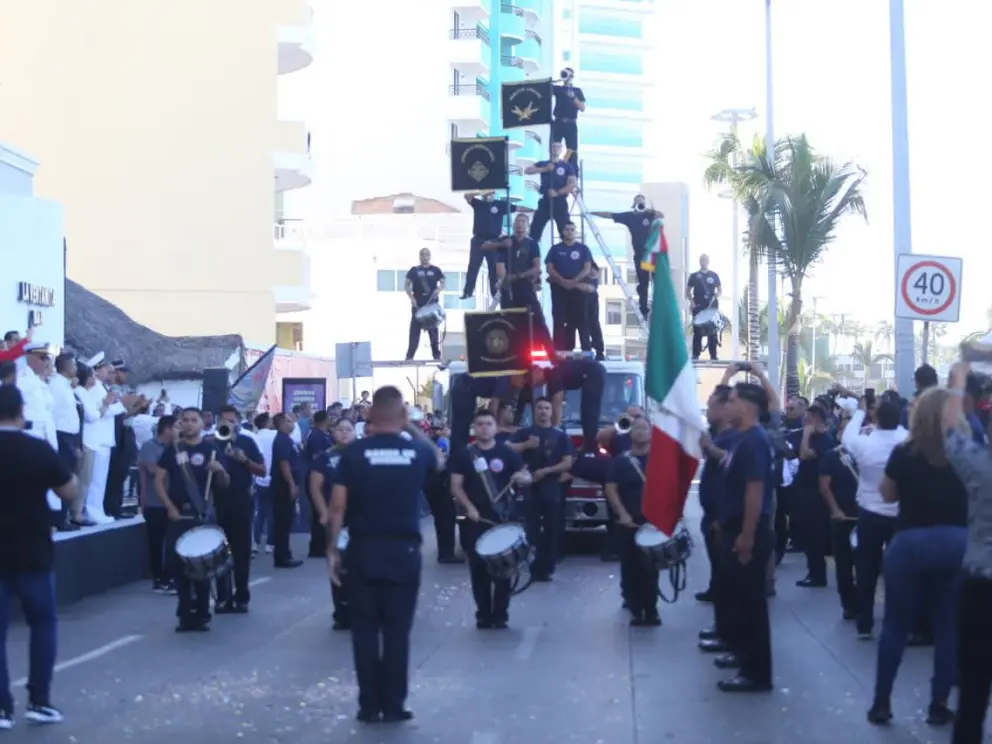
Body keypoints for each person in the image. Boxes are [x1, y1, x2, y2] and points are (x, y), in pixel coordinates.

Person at [326, 386, 444, 724]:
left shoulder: (353, 454)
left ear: (369, 415)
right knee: (396, 631)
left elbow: (337, 507)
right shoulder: (415, 453)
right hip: (403, 552)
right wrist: (410, 428)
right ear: (403, 416)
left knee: (364, 630)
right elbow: (438, 460)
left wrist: (333, 551)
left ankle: (368, 705)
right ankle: (394, 704)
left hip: (362, 551)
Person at [867, 387, 967, 727]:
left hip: (910, 543)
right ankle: (939, 704)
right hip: (957, 543)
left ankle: (882, 701)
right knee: (948, 628)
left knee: (895, 625)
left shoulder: (904, 452)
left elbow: (888, 494)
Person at [0, 385, 78, 727]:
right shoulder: (37, 448)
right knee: (43, 624)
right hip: (32, 549)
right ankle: (39, 700)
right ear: (21, 412)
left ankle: (1, 708)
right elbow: (68, 489)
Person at [943, 362, 992, 744]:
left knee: (974, 688)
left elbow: (950, 432)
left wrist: (958, 385)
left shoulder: (981, 468)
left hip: (983, 589)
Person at [715, 382, 775, 693]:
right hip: (734, 526)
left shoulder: (754, 441)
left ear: (749, 407)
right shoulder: (742, 439)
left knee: (751, 603)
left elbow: (755, 489)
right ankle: (742, 656)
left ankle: (756, 673)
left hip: (747, 528)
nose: (728, 406)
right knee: (739, 598)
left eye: (733, 401)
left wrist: (747, 535)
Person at [450, 408, 531, 629]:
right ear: (474, 428)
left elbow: (527, 476)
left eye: (488, 423)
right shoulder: (465, 455)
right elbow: (455, 485)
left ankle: (500, 614)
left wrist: (521, 477)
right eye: (480, 424)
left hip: (502, 517)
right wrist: (468, 507)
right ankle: (483, 614)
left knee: (504, 569)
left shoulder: (507, 453)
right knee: (478, 570)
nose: (484, 428)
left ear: (495, 427)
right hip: (475, 519)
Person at [155, 408, 231, 632]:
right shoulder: (173, 450)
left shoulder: (212, 450)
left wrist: (219, 472)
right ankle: (185, 614)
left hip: (203, 515)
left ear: (202, 424)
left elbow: (225, 484)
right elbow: (159, 482)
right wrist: (169, 507)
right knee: (179, 569)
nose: (189, 424)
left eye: (193, 420)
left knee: (202, 569)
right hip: (179, 515)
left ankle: (202, 613)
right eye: (185, 420)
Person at [839, 396, 907, 639]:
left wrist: (859, 413)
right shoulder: (907, 441)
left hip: (869, 512)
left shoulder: (864, 444)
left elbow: (846, 438)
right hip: (901, 514)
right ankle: (896, 622)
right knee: (899, 572)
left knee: (866, 569)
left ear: (875, 417)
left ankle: (864, 623)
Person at [604, 417, 660, 626]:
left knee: (650, 567)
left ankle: (652, 610)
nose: (640, 432)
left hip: (652, 523)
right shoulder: (620, 461)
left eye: (645, 428)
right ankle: (636, 609)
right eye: (636, 428)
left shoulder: (659, 460)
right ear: (630, 433)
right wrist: (622, 514)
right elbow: (611, 488)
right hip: (628, 522)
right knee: (630, 566)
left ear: (651, 433)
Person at [511, 397, 574, 581]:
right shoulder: (525, 433)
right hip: (529, 487)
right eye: (539, 408)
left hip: (551, 487)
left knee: (551, 528)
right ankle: (533, 564)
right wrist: (525, 446)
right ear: (534, 411)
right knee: (531, 527)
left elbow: (568, 462)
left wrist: (546, 471)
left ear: (551, 411)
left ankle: (547, 566)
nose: (543, 411)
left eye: (547, 408)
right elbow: (507, 448)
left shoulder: (560, 435)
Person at [213, 406, 265, 613]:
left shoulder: (247, 441)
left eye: (232, 421)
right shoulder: (212, 442)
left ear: (238, 422)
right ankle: (223, 598)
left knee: (241, 552)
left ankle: (242, 596)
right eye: (224, 421)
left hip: (242, 500)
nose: (228, 425)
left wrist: (244, 460)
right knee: (219, 553)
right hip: (218, 501)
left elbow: (262, 471)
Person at [696, 385, 738, 643]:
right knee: (720, 576)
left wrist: (709, 449)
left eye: (711, 406)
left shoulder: (736, 437)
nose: (708, 411)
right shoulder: (719, 435)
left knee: (729, 579)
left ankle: (730, 632)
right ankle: (722, 627)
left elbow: (732, 466)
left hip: (724, 519)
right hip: (712, 515)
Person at [308, 417, 356, 630]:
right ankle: (341, 611)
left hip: (359, 517)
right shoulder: (325, 458)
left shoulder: (362, 455)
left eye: (348, 429)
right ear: (333, 433)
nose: (344, 433)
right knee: (337, 562)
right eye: (340, 429)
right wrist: (323, 512)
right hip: (336, 517)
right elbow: (315, 487)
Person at [492, 212, 554, 353]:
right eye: (517, 222)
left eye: (523, 222)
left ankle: (550, 352)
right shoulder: (505, 242)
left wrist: (518, 276)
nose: (520, 225)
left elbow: (536, 267)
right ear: (513, 225)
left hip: (526, 287)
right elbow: (500, 266)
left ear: (527, 226)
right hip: (508, 289)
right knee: (509, 322)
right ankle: (512, 353)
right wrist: (505, 279)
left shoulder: (532, 244)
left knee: (537, 319)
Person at [590, 196, 660, 318]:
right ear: (634, 204)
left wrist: (651, 211)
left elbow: (661, 215)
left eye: (642, 199)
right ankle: (644, 309)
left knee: (657, 281)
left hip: (651, 254)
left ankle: (659, 307)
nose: (640, 201)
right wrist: (592, 213)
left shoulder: (649, 215)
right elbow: (610, 215)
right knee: (643, 283)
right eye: (638, 200)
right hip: (640, 256)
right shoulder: (630, 216)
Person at [818, 415, 859, 619]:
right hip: (842, 515)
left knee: (867, 563)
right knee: (843, 562)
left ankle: (862, 599)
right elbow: (825, 487)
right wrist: (835, 510)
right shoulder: (831, 456)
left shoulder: (868, 454)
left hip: (865, 515)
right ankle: (849, 604)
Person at [795, 404, 836, 588]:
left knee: (815, 535)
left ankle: (818, 574)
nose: (804, 422)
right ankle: (813, 571)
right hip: (805, 490)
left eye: (807, 418)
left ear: (815, 419)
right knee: (808, 534)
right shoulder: (813, 436)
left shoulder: (824, 439)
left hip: (816, 493)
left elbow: (805, 455)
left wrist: (805, 434)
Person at [138, 415, 177, 593]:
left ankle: (170, 575)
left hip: (173, 501)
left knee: (171, 540)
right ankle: (158, 578)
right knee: (156, 541)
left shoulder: (177, 447)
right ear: (167, 429)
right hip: (154, 502)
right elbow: (153, 469)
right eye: (176, 426)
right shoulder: (149, 446)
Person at [545, 222, 593, 352]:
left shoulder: (583, 249)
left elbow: (587, 268)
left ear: (575, 232)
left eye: (572, 229)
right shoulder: (555, 249)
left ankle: (586, 349)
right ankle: (559, 349)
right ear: (563, 232)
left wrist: (574, 281)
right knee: (559, 319)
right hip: (559, 288)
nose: (570, 232)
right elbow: (550, 268)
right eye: (567, 229)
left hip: (577, 289)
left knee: (580, 319)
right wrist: (562, 281)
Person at [462, 192, 515, 299]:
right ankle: (468, 291)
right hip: (478, 239)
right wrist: (480, 192)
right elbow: (467, 196)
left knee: (493, 267)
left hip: (494, 240)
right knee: (473, 266)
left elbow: (516, 208)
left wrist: (532, 209)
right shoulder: (478, 203)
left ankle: (494, 293)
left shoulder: (500, 204)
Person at [545, 356, 606, 449]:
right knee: (587, 408)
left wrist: (556, 429)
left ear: (538, 370)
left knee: (589, 410)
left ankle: (589, 447)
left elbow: (557, 400)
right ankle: (589, 444)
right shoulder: (554, 376)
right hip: (593, 372)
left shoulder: (553, 375)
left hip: (592, 372)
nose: (535, 382)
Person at [525, 142, 577, 244]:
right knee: (535, 230)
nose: (555, 149)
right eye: (553, 146)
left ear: (561, 149)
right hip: (545, 201)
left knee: (565, 229)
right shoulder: (544, 163)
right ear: (549, 148)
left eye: (558, 146)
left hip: (560, 201)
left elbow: (571, 184)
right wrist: (545, 169)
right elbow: (527, 170)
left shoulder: (566, 166)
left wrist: (557, 193)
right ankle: (530, 254)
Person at [270, 413, 304, 569]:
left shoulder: (287, 439)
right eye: (289, 421)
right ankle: (282, 557)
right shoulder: (282, 440)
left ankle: (285, 554)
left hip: (285, 485)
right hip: (282, 486)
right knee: (283, 522)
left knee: (286, 522)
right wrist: (291, 484)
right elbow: (284, 464)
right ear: (282, 424)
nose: (292, 424)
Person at [404, 248, 445, 361]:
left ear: (430, 256)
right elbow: (407, 285)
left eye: (427, 254)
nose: (424, 256)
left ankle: (436, 355)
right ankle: (409, 356)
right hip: (418, 303)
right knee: (414, 331)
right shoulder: (414, 270)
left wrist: (439, 290)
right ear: (419, 256)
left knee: (433, 330)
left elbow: (443, 282)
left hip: (430, 304)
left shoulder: (436, 270)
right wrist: (412, 298)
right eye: (422, 254)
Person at [305, 410, 334, 557]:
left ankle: (322, 544)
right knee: (318, 514)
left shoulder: (324, 434)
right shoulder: (316, 435)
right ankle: (316, 547)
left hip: (325, 478)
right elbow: (316, 456)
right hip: (317, 477)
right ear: (324, 420)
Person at [686, 254, 722, 361]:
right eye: (702, 260)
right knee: (697, 331)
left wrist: (716, 295)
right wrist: (691, 302)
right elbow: (687, 291)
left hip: (711, 306)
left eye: (705, 260)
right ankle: (695, 355)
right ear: (699, 261)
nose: (703, 261)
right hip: (698, 306)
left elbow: (720, 290)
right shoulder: (694, 276)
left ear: (708, 261)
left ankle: (713, 356)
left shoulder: (714, 275)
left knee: (712, 331)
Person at [252, 413, 277, 554]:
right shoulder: (274, 436)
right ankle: (270, 544)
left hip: (259, 479)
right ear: (267, 422)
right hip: (273, 478)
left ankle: (255, 542)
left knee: (260, 512)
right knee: (272, 512)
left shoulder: (255, 437)